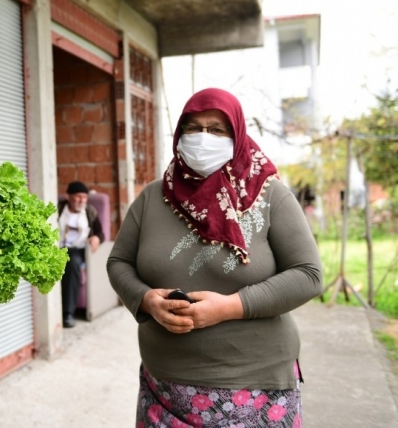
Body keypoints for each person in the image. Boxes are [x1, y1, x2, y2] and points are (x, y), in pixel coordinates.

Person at [107, 88, 322, 427]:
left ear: (236, 136)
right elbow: (119, 262)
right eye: (193, 128)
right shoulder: (152, 197)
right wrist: (146, 301)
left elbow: (308, 274)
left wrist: (228, 307)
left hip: (254, 389)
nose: (203, 138)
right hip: (163, 391)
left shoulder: (269, 196)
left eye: (217, 130)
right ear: (179, 134)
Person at [57, 181, 105, 328]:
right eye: (78, 197)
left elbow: (100, 233)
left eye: (84, 197)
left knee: (72, 264)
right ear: (68, 196)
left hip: (79, 250)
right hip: (57, 248)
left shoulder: (89, 212)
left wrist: (97, 238)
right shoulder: (58, 209)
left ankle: (68, 313)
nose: (81, 201)